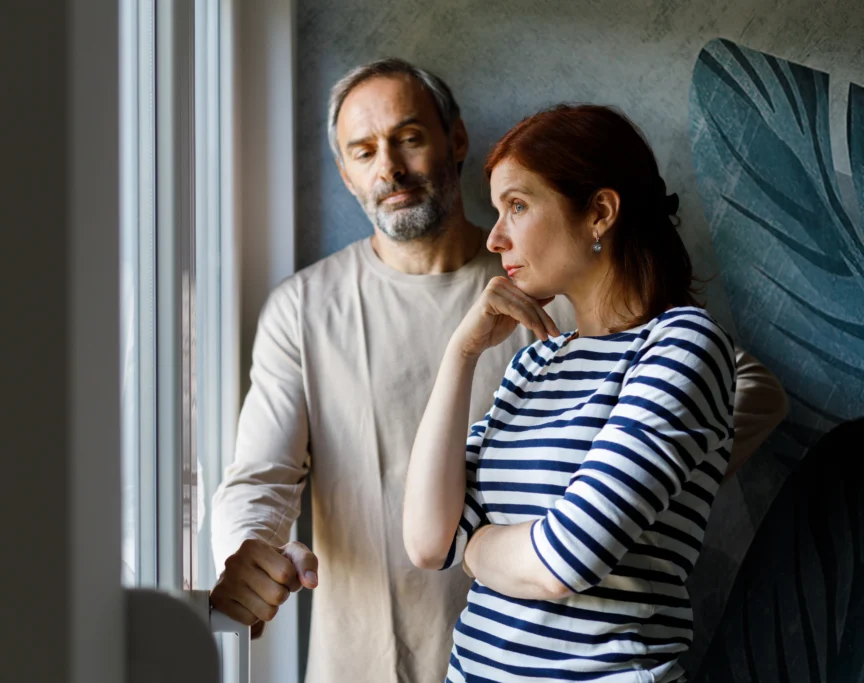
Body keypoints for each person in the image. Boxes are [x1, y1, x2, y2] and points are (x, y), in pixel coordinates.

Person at [210, 59, 788, 683]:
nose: (390, 168)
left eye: (408, 137)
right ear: (345, 173)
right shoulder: (304, 308)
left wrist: (646, 480)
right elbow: (266, 479)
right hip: (374, 657)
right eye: (364, 150)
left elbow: (743, 390)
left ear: (454, 140)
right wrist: (248, 548)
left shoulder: (564, 292)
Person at [404, 104, 740, 682]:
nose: (494, 236)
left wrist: (479, 549)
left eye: (517, 205)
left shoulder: (682, 345)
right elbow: (430, 543)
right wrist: (460, 357)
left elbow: (564, 559)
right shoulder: (535, 362)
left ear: (599, 213)